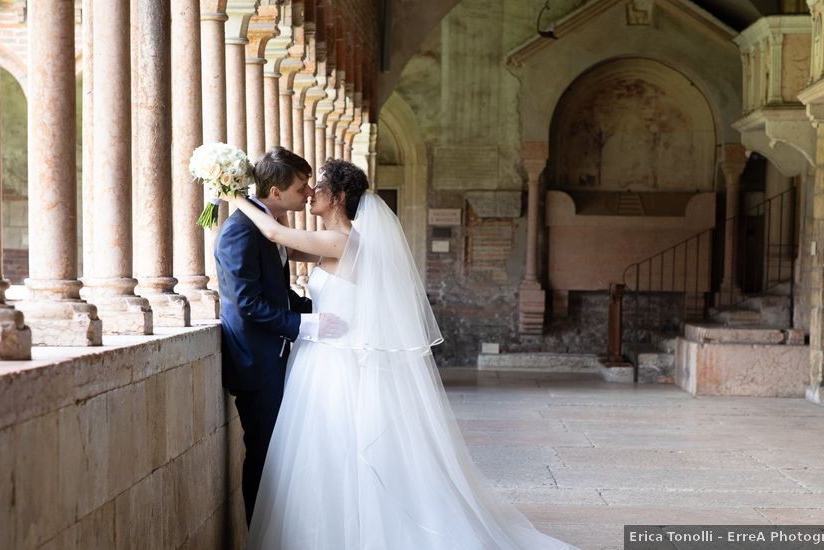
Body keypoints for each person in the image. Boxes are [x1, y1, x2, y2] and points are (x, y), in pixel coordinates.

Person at [225, 158, 574, 550]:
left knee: (332, 452)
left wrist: (229, 192)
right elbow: (278, 253)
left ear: (339, 198)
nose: (311, 193)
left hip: (333, 363)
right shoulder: (339, 243)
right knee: (325, 455)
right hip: (322, 357)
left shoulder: (340, 242)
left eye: (319, 186)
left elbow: (272, 233)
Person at [214, 146, 345, 525]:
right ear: (275, 193)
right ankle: (260, 534)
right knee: (264, 453)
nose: (308, 193)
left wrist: (313, 312)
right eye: (302, 186)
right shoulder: (240, 231)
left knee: (280, 452)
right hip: (255, 361)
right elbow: (247, 303)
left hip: (277, 355)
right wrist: (307, 324)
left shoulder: (268, 225)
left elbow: (276, 293)